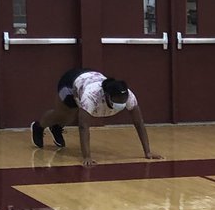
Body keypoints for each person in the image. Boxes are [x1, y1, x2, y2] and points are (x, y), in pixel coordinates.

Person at [31, 68, 161, 167]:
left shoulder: (129, 96)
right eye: (118, 101)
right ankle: (39, 126)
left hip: (88, 78)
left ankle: (56, 128)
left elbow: (139, 122)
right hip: (70, 83)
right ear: (107, 96)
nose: (122, 103)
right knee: (65, 114)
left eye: (123, 101)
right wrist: (87, 156)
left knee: (67, 118)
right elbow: (83, 126)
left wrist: (147, 152)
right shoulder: (91, 96)